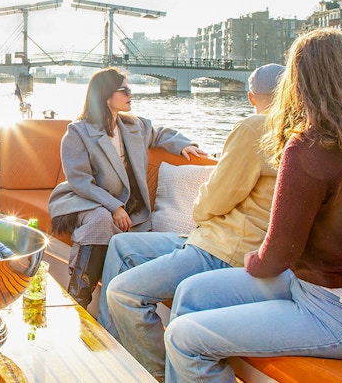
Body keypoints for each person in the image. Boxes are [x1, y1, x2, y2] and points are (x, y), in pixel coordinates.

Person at [164, 28, 342, 382]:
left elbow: (277, 257)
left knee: (183, 338)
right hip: (334, 291)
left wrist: (251, 260)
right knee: (191, 291)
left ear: (299, 79)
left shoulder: (305, 147)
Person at [100, 63, 284, 380]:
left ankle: (155, 372)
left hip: (222, 249)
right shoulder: (299, 131)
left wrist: (199, 211)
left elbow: (214, 198)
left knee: (123, 293)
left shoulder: (255, 128)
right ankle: (109, 342)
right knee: (121, 243)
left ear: (252, 96)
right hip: (216, 239)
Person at [48, 68, 206, 308]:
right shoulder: (78, 132)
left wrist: (184, 146)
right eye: (125, 90)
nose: (131, 94)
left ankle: (89, 300)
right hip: (84, 199)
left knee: (111, 222)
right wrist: (115, 207)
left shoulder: (135, 127)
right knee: (101, 218)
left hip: (130, 208)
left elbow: (160, 134)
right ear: (106, 95)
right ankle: (78, 298)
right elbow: (80, 181)